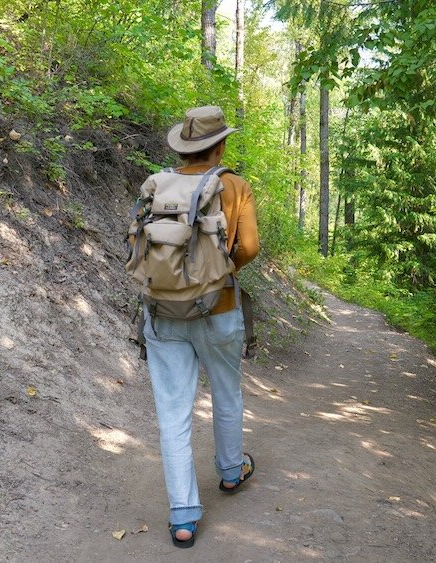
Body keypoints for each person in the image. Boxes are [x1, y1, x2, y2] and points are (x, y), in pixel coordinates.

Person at [140, 106, 259, 548]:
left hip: (163, 311)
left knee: (173, 413)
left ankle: (184, 515)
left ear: (183, 147)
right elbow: (249, 247)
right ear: (220, 146)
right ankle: (230, 471)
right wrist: (221, 271)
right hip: (218, 308)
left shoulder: (157, 185)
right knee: (227, 392)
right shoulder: (235, 186)